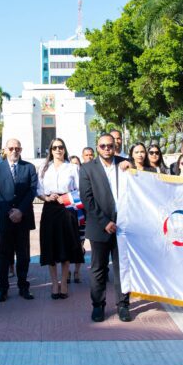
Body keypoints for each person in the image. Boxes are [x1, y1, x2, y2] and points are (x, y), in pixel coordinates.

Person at [79, 133, 131, 323]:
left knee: (122, 267)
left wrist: (132, 167)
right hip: (99, 226)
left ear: (115, 146)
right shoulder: (87, 168)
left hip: (124, 225)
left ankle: (123, 305)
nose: (107, 149)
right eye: (103, 146)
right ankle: (98, 305)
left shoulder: (125, 164)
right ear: (97, 147)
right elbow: (87, 199)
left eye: (110, 145)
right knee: (98, 268)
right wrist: (105, 222)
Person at [0, 138, 38, 302]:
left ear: (21, 150)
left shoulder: (29, 167)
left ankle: (23, 286)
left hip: (23, 218)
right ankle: (2, 289)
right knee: (3, 255)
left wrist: (20, 211)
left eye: (17, 148)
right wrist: (9, 211)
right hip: (4, 218)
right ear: (5, 150)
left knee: (23, 255)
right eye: (11, 148)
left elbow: (32, 191)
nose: (14, 151)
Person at [37, 138, 84, 300]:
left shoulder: (72, 167)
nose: (58, 150)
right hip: (50, 208)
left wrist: (66, 198)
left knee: (66, 245)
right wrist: (46, 197)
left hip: (67, 208)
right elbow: (38, 189)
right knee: (50, 246)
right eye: (55, 147)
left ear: (64, 149)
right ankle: (54, 283)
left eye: (61, 147)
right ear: (50, 150)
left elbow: (80, 189)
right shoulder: (44, 168)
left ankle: (63, 282)